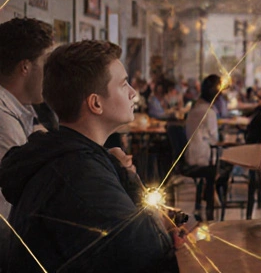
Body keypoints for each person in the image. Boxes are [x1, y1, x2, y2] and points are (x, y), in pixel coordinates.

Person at [0, 40, 179, 272]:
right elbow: (153, 251)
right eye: (124, 84)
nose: (133, 93)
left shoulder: (69, 154)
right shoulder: (78, 173)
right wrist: (129, 181)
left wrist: (117, 170)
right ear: (95, 103)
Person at [0, 18, 54, 250]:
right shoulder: (4, 122)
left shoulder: (23, 111)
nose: (50, 74)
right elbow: (9, 207)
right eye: (46, 64)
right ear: (25, 67)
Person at [185, 74, 231, 221]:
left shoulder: (194, 108)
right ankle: (215, 196)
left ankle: (207, 193)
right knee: (228, 163)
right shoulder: (209, 113)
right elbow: (214, 139)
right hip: (203, 158)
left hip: (189, 155)